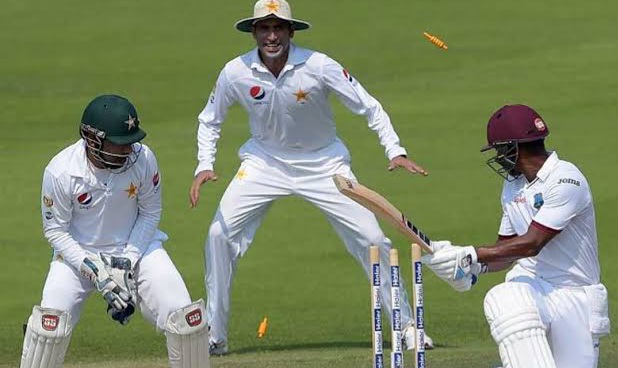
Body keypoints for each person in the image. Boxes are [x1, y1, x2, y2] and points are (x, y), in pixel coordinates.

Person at [189, 0, 434, 355]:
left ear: (291, 31)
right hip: (264, 163)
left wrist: (394, 150)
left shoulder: (319, 66)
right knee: (218, 234)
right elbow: (210, 120)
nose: (271, 36)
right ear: (254, 31)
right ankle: (215, 336)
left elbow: (368, 105)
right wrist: (203, 165)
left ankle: (406, 326)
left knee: (371, 237)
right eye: (264, 28)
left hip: (325, 165)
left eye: (278, 28)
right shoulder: (235, 72)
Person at [21, 95, 210, 368]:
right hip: (77, 256)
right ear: (92, 140)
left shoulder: (144, 159)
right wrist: (93, 269)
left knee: (188, 320)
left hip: (137, 248)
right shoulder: (61, 171)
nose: (127, 150)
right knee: (48, 329)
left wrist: (128, 261)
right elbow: (56, 232)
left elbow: (150, 213)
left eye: (130, 142)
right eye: (119, 144)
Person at [421, 104, 610, 368]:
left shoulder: (566, 180)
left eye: (500, 150)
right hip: (532, 285)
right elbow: (507, 250)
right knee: (505, 298)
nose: (499, 157)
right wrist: (470, 267)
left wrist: (471, 253)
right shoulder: (513, 184)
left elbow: (532, 243)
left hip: (574, 294)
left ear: (514, 148)